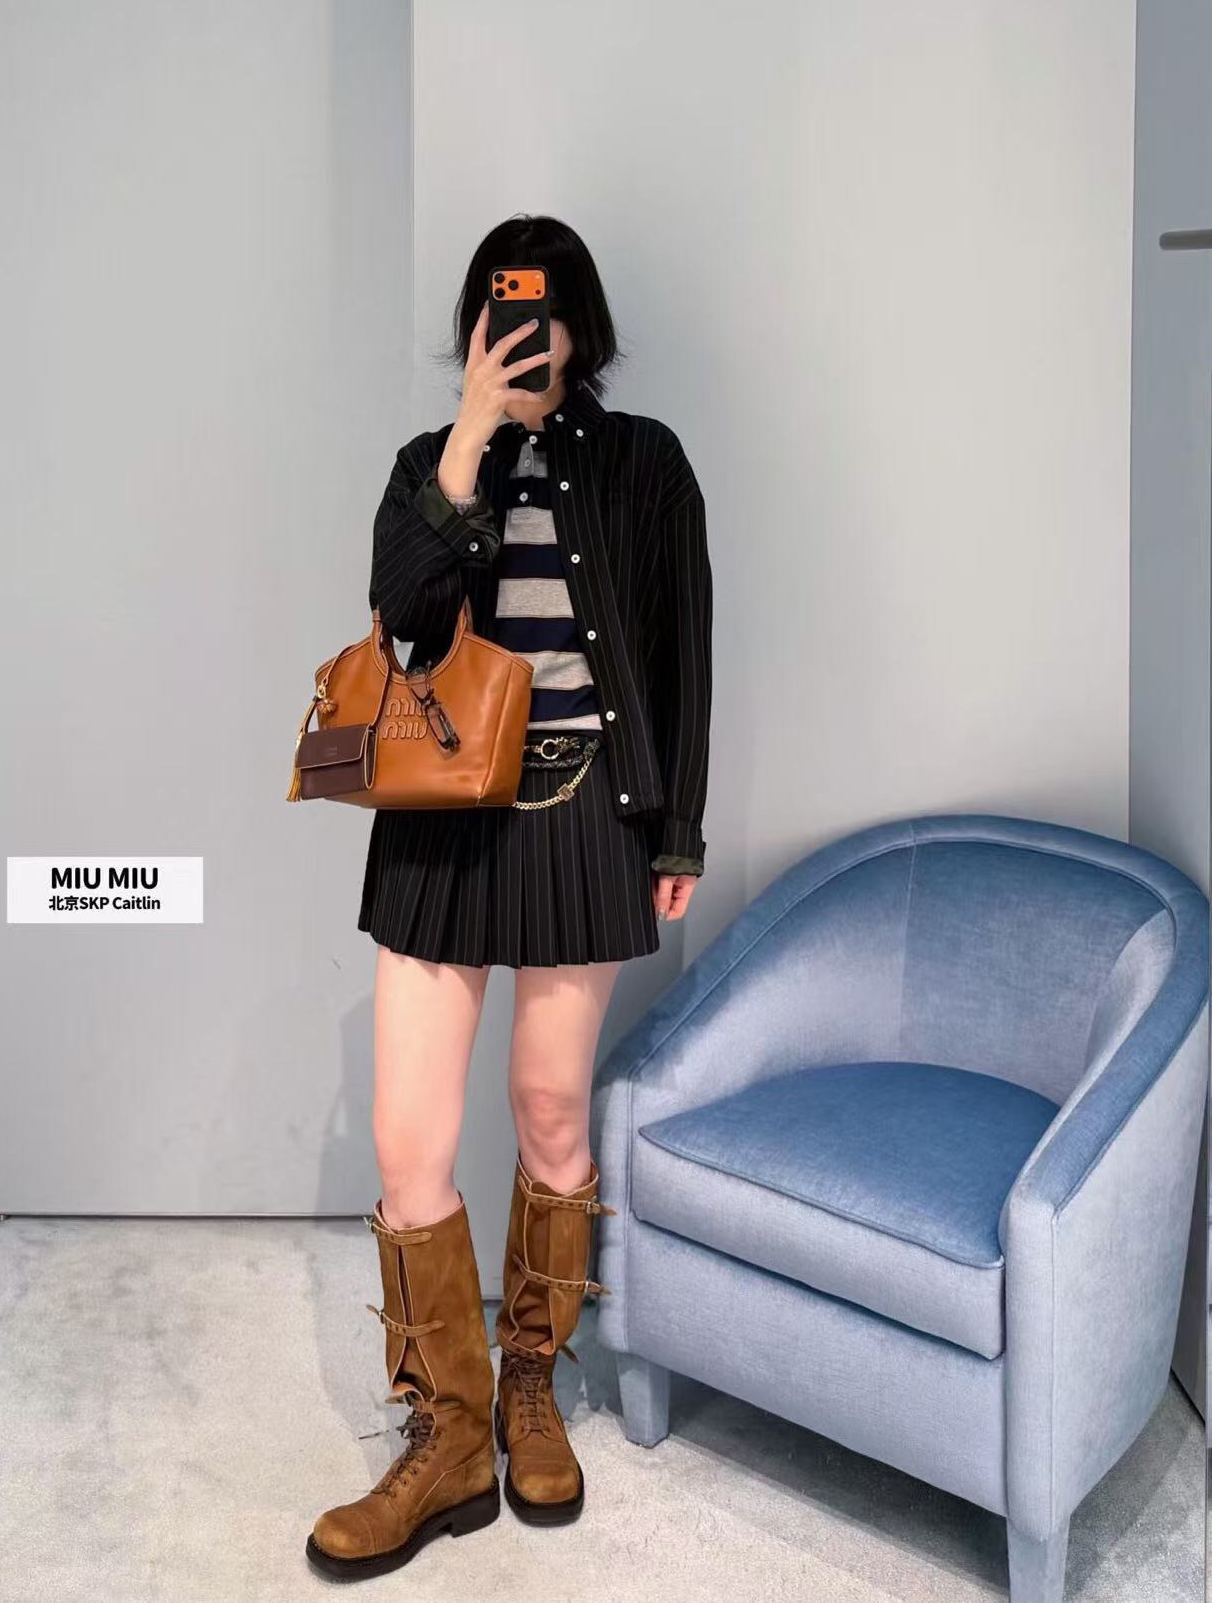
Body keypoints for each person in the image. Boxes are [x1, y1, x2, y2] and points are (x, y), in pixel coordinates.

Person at [306, 215, 713, 1581]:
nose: (521, 336)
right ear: (475, 329)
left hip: (586, 811)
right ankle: (446, 1435)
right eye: (498, 313)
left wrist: (678, 826)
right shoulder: (432, 462)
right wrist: (473, 439)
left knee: (549, 1108)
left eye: (541, 313)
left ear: (581, 326)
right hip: (440, 823)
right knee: (407, 1136)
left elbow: (685, 649)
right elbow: (404, 614)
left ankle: (530, 1378)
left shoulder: (647, 462)